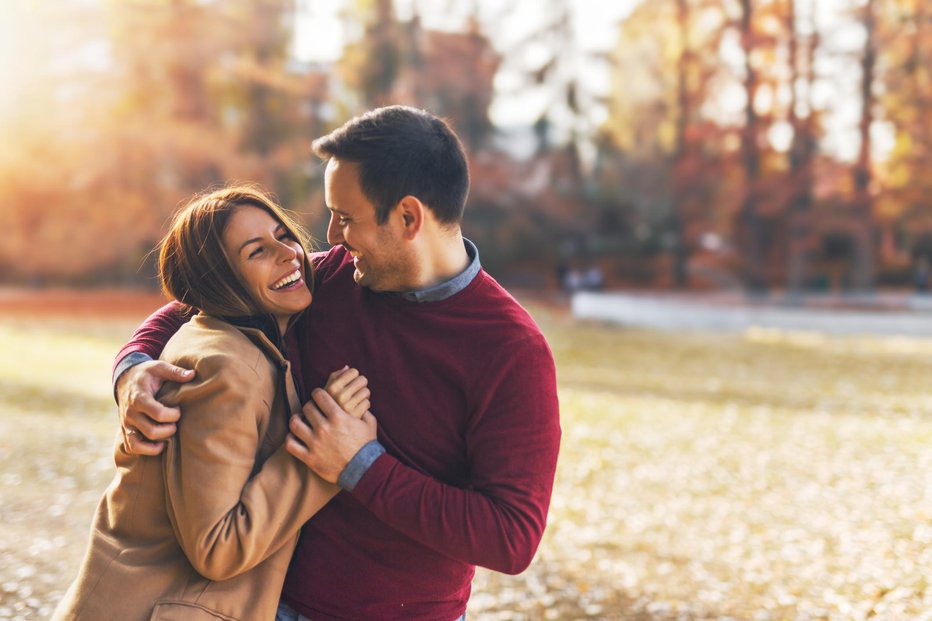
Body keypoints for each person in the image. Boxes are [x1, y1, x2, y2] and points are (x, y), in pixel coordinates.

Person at [113, 106, 562, 621]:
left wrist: (359, 465)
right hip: (263, 604)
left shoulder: (511, 352)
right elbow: (201, 299)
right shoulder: (332, 279)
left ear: (408, 218)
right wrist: (133, 368)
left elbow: (511, 537)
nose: (329, 236)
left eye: (346, 218)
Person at [55, 186, 372, 621]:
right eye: (257, 251)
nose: (290, 254)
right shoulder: (226, 369)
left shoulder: (227, 341)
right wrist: (322, 453)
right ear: (219, 283)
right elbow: (216, 549)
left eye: (283, 234)